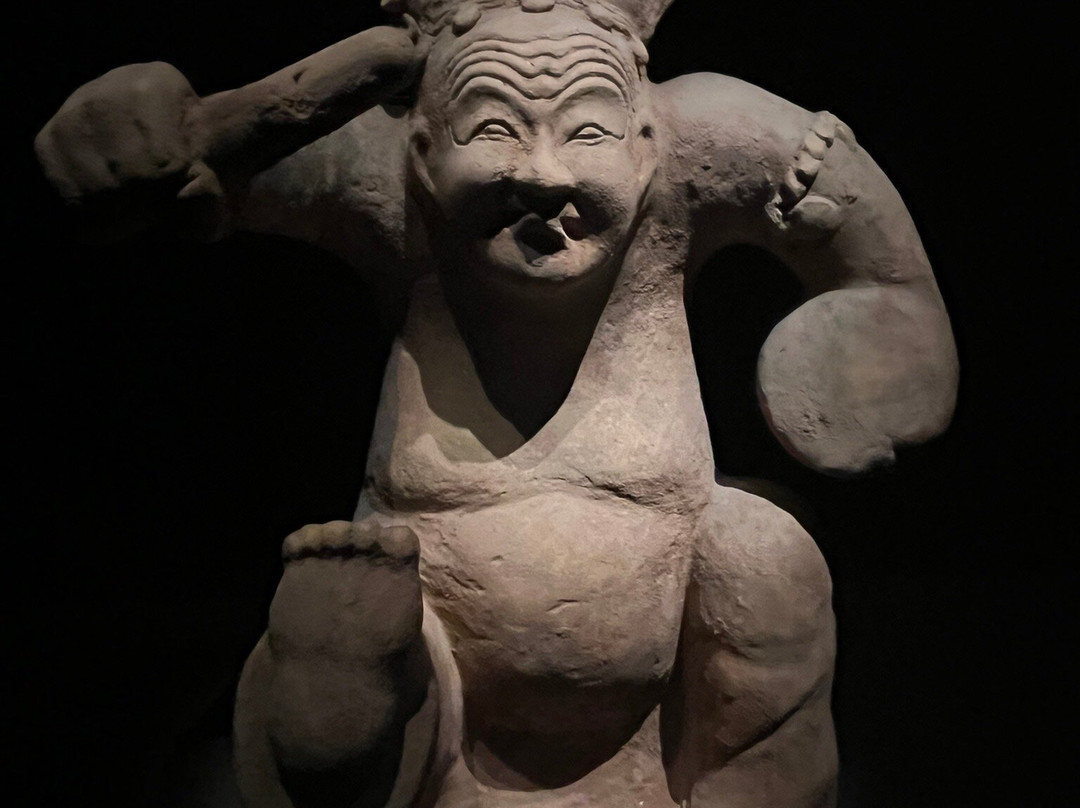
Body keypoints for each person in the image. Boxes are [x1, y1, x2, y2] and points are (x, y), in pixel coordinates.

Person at [35, 1, 958, 805]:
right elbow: (179, 176)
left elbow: (874, 259)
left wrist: (883, 337)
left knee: (767, 556)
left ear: (646, 142)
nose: (543, 174)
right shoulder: (385, 175)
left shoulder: (698, 140)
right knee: (352, 656)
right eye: (492, 129)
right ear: (424, 149)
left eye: (586, 132)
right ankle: (351, 702)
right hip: (437, 610)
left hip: (668, 606)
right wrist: (130, 133)